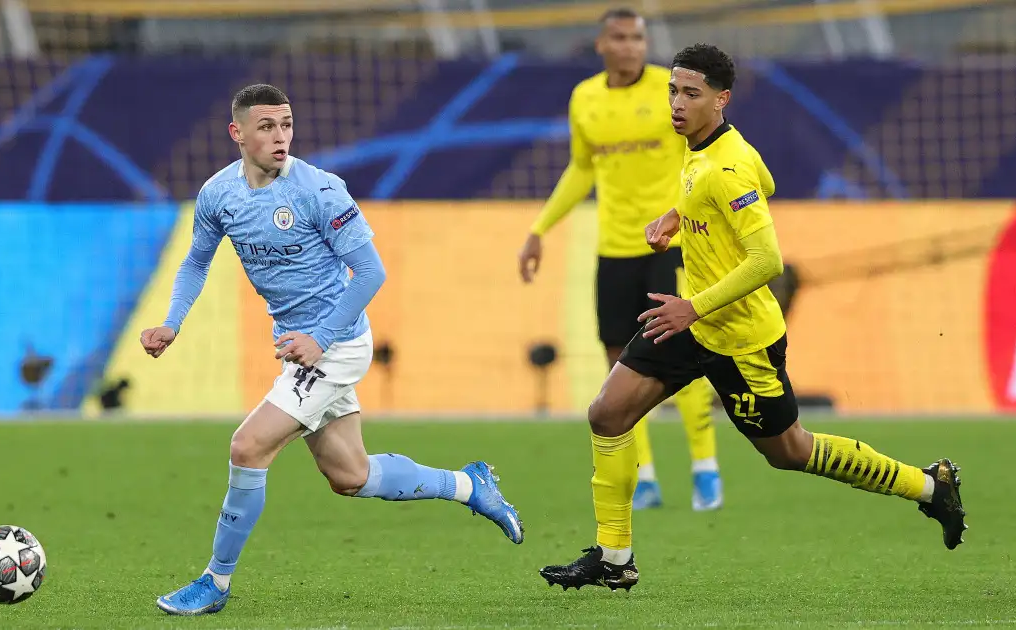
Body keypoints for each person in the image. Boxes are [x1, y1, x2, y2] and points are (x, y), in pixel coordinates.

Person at [539, 44, 968, 592]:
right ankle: (614, 559)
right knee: (607, 413)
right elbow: (764, 182)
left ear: (720, 99)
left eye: (691, 94)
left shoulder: (726, 164)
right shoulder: (707, 150)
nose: (677, 102)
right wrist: (681, 213)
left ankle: (930, 486)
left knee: (790, 451)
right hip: (690, 322)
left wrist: (692, 304)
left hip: (739, 339)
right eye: (672, 90)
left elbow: (767, 261)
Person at [140, 84, 524, 616]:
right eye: (267, 126)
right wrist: (171, 322)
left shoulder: (319, 190)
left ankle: (214, 583)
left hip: (335, 344)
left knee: (248, 447)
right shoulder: (218, 195)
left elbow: (370, 272)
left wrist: (320, 337)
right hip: (299, 346)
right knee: (351, 476)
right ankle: (467, 485)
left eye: (287, 124)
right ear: (238, 133)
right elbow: (195, 263)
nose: (280, 136)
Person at [518, 7, 721, 512]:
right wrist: (540, 228)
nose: (631, 46)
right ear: (601, 45)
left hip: (669, 246)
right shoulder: (584, 98)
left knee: (685, 354)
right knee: (621, 361)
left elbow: (706, 155)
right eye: (621, 38)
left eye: (638, 38)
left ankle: (704, 468)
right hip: (612, 251)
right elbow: (581, 169)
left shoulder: (671, 91)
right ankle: (644, 476)